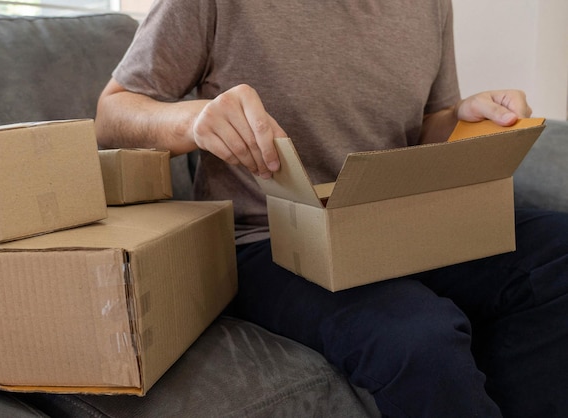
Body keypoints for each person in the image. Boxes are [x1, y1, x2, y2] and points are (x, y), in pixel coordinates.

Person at [95, 1, 568, 416]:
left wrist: (465, 116)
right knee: (418, 339)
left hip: (391, 221)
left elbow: (426, 127)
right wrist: (192, 119)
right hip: (270, 238)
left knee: (558, 252)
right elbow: (111, 114)